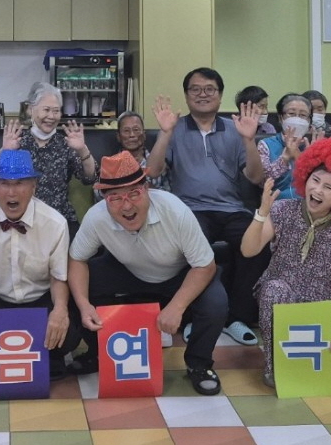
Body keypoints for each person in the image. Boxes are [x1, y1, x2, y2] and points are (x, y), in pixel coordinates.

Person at [68, 152, 229, 396]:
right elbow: (77, 259)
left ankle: (199, 363)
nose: (126, 206)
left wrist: (176, 307)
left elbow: (205, 266)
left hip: (180, 273)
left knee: (215, 303)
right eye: (115, 198)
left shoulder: (175, 210)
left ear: (147, 189)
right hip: (129, 270)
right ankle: (99, 352)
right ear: (104, 199)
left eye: (134, 193)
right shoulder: (96, 217)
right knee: (76, 290)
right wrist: (83, 305)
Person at [146, 67, 266, 346]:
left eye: (210, 89)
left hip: (232, 209)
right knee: (189, 248)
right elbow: (152, 172)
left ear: (220, 95)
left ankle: (236, 317)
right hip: (189, 210)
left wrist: (249, 140)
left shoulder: (235, 129)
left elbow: (256, 177)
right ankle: (192, 317)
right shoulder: (175, 129)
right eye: (195, 89)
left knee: (257, 244)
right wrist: (165, 133)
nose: (203, 94)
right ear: (186, 95)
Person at [241, 138, 331, 388]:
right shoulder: (282, 210)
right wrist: (262, 213)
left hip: (321, 308)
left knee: (315, 376)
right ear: (304, 178)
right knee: (274, 290)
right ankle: (274, 365)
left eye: (328, 187)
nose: (318, 190)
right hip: (280, 296)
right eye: (315, 180)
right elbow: (248, 250)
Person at [0, 149, 81, 382]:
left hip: (40, 298)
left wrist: (59, 311)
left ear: (34, 186)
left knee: (71, 329)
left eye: (20, 183)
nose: (11, 192)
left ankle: (50, 355)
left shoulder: (55, 223)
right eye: (4, 183)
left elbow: (58, 276)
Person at [0, 82, 97, 235]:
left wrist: (82, 149)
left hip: (59, 220)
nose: (51, 116)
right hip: (22, 221)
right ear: (31, 110)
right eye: (46, 110)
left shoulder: (65, 143)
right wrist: (4, 150)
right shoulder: (18, 141)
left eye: (56, 111)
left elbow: (90, 178)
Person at [258, 93, 318, 199]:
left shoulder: (314, 145)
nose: (297, 119)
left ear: (309, 121)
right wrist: (284, 159)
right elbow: (262, 182)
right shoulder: (266, 145)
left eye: (303, 115)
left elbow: (321, 183)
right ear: (281, 118)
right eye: (291, 113)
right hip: (277, 203)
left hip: (309, 203)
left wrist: (307, 160)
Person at [113, 110, 169, 192]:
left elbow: (168, 191)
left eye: (136, 130)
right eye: (126, 131)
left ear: (144, 134)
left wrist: (150, 189)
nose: (132, 135)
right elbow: (99, 194)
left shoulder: (159, 161)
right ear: (118, 136)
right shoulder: (110, 165)